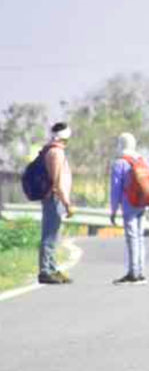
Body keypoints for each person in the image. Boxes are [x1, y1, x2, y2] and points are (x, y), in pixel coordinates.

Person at [109, 133, 149, 285]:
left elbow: (116, 189)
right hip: (143, 204)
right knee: (140, 238)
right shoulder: (142, 160)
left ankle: (133, 274)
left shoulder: (119, 163)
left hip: (129, 205)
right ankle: (140, 272)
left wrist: (113, 210)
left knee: (132, 238)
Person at [38, 122, 74, 285]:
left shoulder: (52, 150)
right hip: (54, 198)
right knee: (49, 235)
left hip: (54, 198)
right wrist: (67, 203)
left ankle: (52, 269)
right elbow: (57, 182)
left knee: (53, 235)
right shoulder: (56, 153)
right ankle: (45, 271)